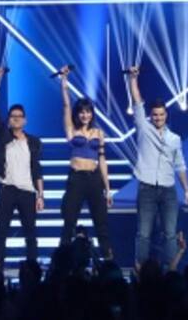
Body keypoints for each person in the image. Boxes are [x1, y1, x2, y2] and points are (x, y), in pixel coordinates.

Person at [127, 65, 188, 267]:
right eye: (155, 115)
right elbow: (137, 103)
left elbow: (180, 165)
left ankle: (170, 272)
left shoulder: (174, 138)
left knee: (170, 233)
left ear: (166, 115)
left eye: (161, 114)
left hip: (168, 189)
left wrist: (187, 189)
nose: (158, 118)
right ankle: (141, 273)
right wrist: (133, 79)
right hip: (146, 187)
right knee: (143, 233)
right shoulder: (144, 128)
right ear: (150, 115)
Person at [0, 67, 45, 266]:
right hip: (7, 189)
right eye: (13, 116)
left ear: (25, 120)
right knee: (1, 231)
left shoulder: (34, 142)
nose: (16, 118)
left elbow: (37, 169)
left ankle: (32, 268)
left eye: (19, 116)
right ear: (8, 120)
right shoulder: (3, 136)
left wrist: (40, 195)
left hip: (28, 191)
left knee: (31, 232)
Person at [58, 66, 113, 259]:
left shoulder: (99, 133)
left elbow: (102, 160)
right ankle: (62, 263)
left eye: (88, 112)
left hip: (94, 179)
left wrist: (107, 188)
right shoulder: (72, 130)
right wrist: (64, 82)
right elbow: (66, 106)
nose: (85, 115)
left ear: (92, 114)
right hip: (76, 179)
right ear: (78, 114)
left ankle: (108, 262)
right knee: (69, 222)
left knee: (101, 224)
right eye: (82, 112)